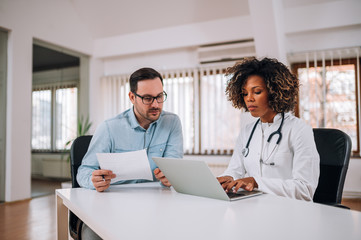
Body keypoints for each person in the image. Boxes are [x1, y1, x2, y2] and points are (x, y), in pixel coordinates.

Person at [77, 67, 183, 239]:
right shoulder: (110, 127)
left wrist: (172, 176)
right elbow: (83, 171)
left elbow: (175, 165)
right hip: (112, 208)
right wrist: (93, 179)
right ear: (132, 97)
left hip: (158, 207)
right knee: (92, 236)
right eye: (148, 98)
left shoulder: (172, 123)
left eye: (159, 96)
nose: (156, 104)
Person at [217, 57, 320, 201]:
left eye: (257, 92)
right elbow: (235, 171)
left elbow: (305, 190)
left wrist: (257, 182)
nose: (249, 99)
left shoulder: (299, 130)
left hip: (288, 210)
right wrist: (228, 178)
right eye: (245, 93)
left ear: (274, 92)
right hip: (253, 206)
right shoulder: (247, 132)